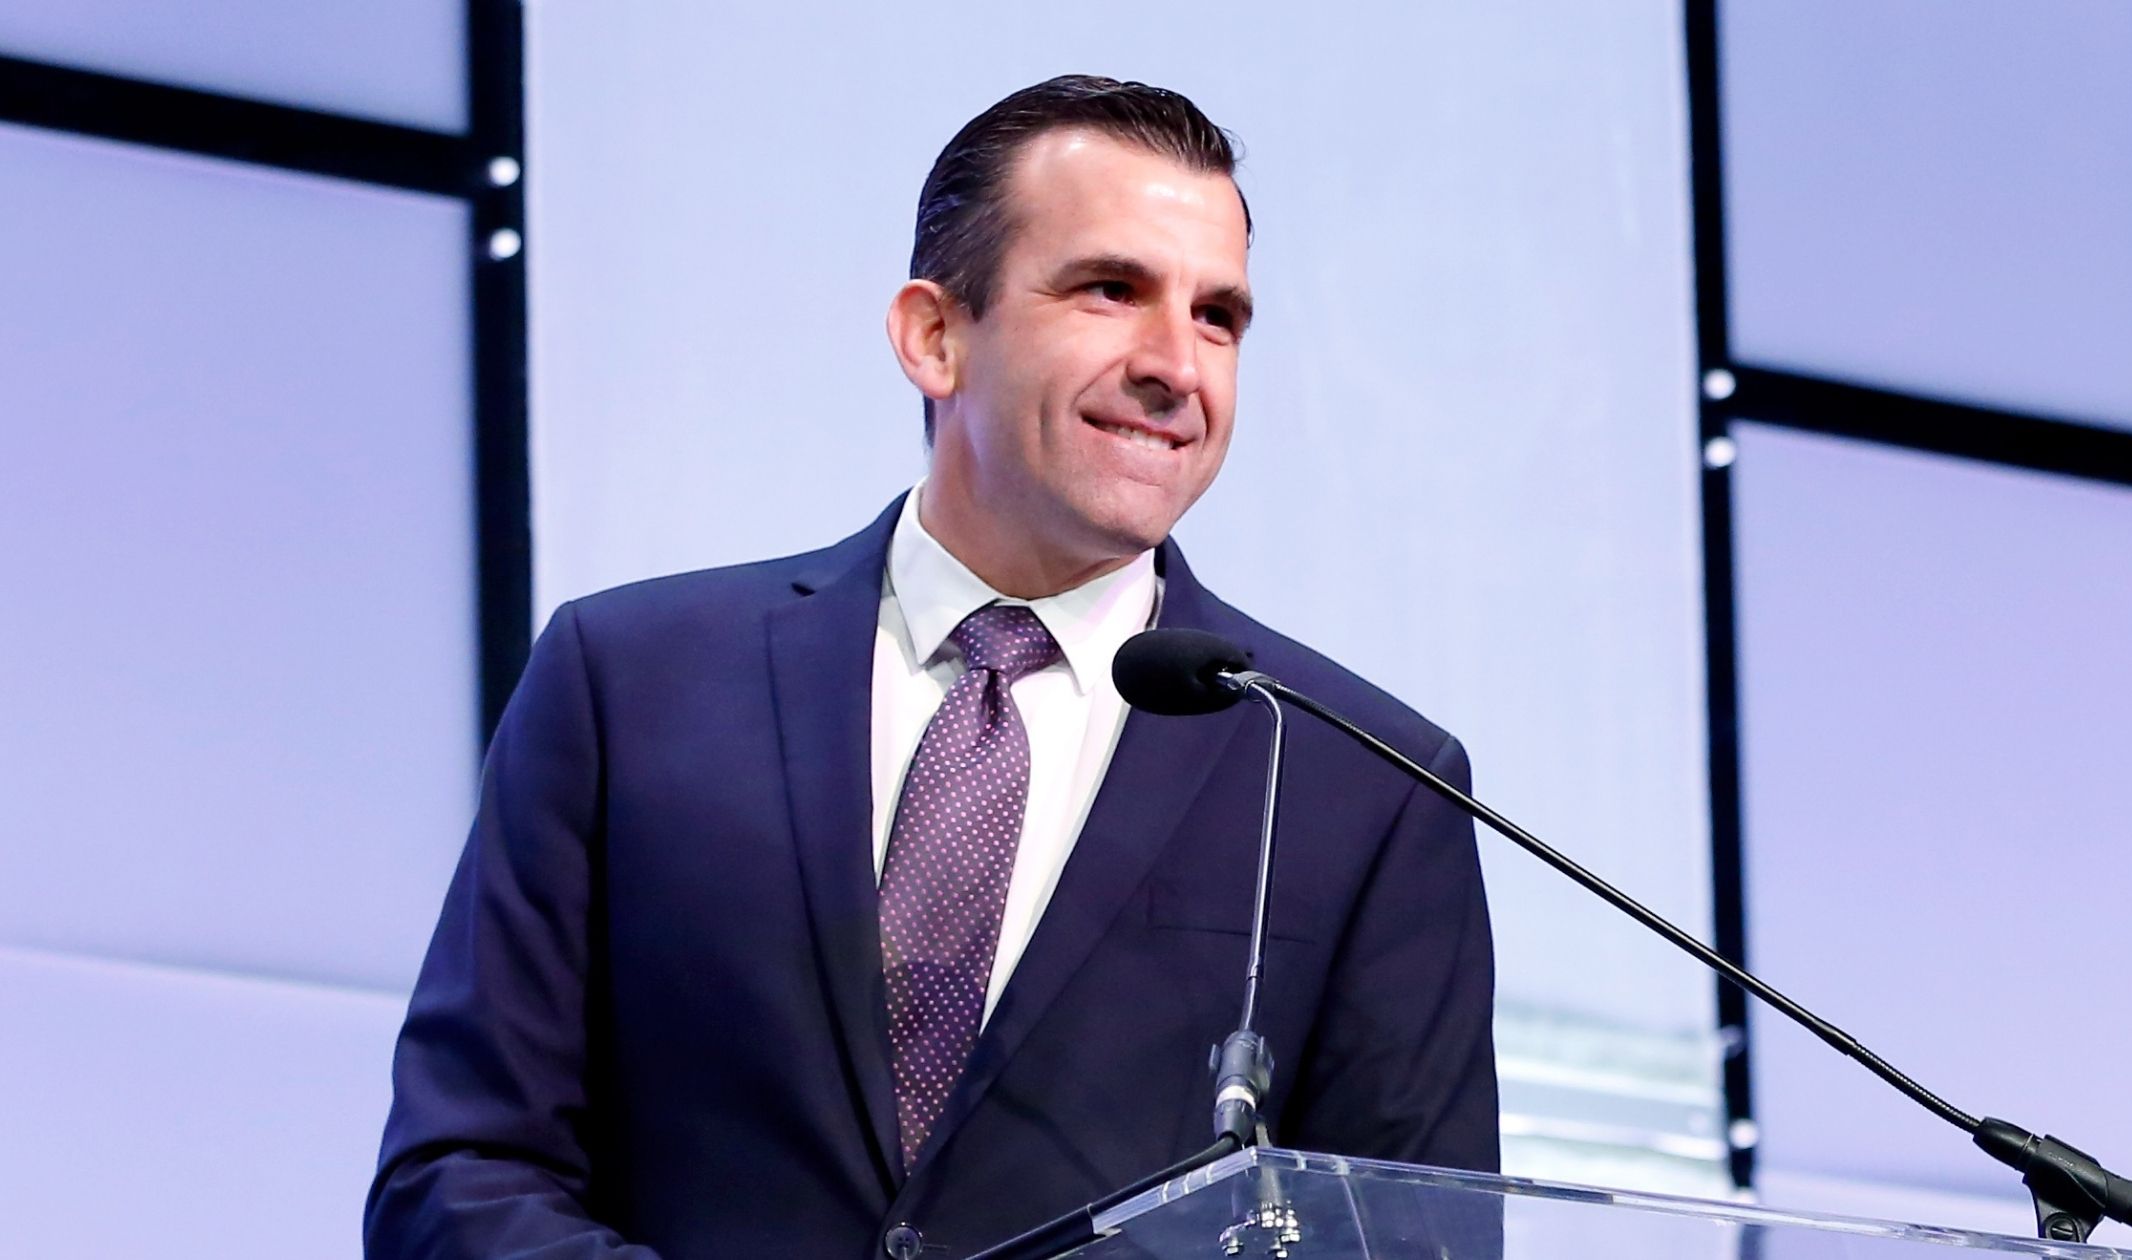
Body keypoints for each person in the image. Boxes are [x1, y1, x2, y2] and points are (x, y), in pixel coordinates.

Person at [367, 75, 1498, 1260]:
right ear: (933, 334)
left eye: (1218, 316)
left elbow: (1409, 1246)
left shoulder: (1361, 782)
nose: (1177, 364)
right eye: (1111, 290)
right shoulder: (629, 682)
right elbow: (462, 1174)